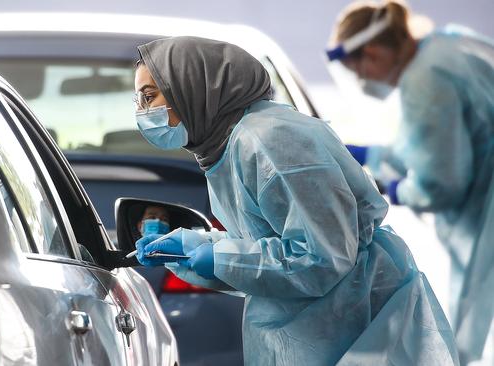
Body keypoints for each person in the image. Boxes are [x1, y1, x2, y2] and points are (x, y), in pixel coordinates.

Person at [132, 36, 458, 365]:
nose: (143, 112)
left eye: (149, 97)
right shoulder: (227, 147)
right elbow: (269, 244)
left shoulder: (269, 140)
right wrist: (191, 248)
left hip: (355, 323)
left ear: (192, 86)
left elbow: (321, 257)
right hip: (321, 328)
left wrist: (220, 256)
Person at [327, 1, 494, 363]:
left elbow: (442, 180)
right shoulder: (444, 48)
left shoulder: (427, 77)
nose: (362, 80)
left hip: (485, 207)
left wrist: (400, 189)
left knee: (465, 329)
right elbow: (431, 140)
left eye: (358, 70)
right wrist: (373, 156)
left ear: (371, 53)